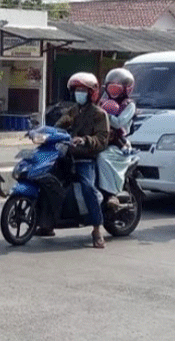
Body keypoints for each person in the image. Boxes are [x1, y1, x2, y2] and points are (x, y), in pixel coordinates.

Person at [53, 72, 109, 248]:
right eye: (77, 90)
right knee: (48, 180)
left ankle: (97, 229)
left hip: (86, 158)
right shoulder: (73, 110)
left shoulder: (99, 114)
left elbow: (102, 139)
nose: (79, 93)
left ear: (91, 93)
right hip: (67, 155)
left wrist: (85, 140)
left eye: (83, 90)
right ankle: (46, 223)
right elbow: (57, 127)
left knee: (87, 188)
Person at [96, 68, 137, 211]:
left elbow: (119, 122)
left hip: (119, 145)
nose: (113, 92)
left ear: (126, 89)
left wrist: (104, 114)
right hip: (102, 140)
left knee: (102, 158)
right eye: (111, 88)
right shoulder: (103, 102)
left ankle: (111, 194)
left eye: (117, 89)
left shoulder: (129, 105)